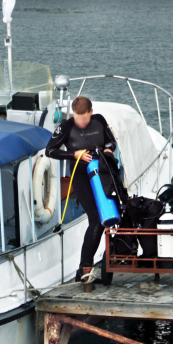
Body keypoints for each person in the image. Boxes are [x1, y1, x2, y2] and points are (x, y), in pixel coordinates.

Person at [46, 95, 117, 284]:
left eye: (85, 118)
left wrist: (108, 149)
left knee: (113, 215)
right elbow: (50, 150)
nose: (82, 123)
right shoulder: (67, 127)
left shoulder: (99, 121)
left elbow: (111, 142)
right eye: (78, 119)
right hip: (80, 176)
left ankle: (104, 261)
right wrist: (74, 154)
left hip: (102, 172)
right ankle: (85, 267)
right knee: (96, 219)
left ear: (91, 113)